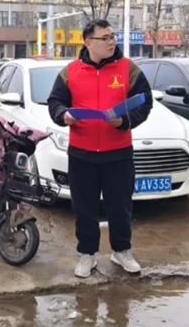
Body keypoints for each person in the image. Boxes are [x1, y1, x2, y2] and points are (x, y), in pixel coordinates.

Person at [47, 19, 153, 278]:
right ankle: (87, 254)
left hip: (118, 153)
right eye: (104, 38)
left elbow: (145, 102)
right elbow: (55, 102)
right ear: (88, 42)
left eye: (112, 36)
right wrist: (63, 115)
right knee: (84, 208)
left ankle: (122, 251)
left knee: (120, 206)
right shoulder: (70, 72)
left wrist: (124, 121)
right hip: (81, 153)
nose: (111, 41)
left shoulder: (128, 69)